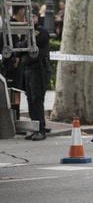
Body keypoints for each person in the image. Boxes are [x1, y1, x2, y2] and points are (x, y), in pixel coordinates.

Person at [22, 8, 50, 141]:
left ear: (37, 18)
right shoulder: (27, 32)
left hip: (38, 69)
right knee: (30, 99)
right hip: (28, 69)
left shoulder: (41, 32)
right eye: (28, 17)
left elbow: (29, 44)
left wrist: (22, 44)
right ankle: (34, 128)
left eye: (32, 17)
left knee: (37, 99)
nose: (30, 19)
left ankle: (41, 129)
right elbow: (20, 47)